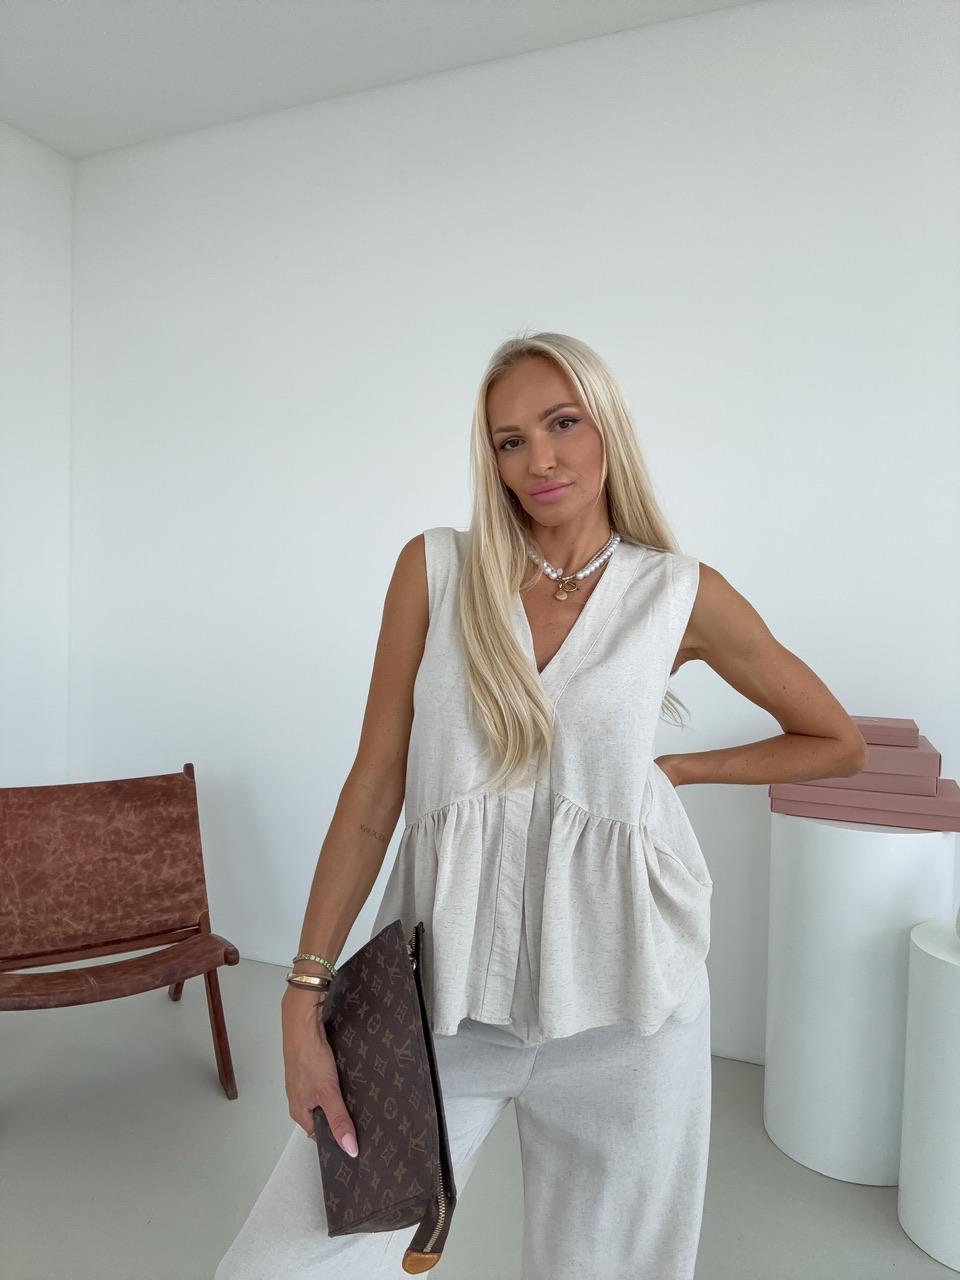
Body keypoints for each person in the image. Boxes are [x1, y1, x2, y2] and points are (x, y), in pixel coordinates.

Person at [215, 332, 867, 1280]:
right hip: (440, 1007)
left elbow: (835, 740)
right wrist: (302, 996)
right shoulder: (437, 572)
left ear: (608, 429)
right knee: (283, 1266)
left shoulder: (676, 593)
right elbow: (373, 789)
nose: (540, 460)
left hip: (630, 1010)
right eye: (510, 440)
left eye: (563, 424)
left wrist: (677, 771)